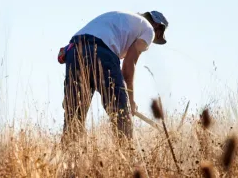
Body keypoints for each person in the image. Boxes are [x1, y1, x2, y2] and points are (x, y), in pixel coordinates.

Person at [60, 10, 169, 142]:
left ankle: (69, 156)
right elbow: (128, 67)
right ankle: (126, 156)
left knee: (74, 114)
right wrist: (130, 101)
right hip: (102, 52)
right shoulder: (148, 29)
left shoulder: (121, 21)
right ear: (157, 27)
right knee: (121, 113)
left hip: (74, 50)